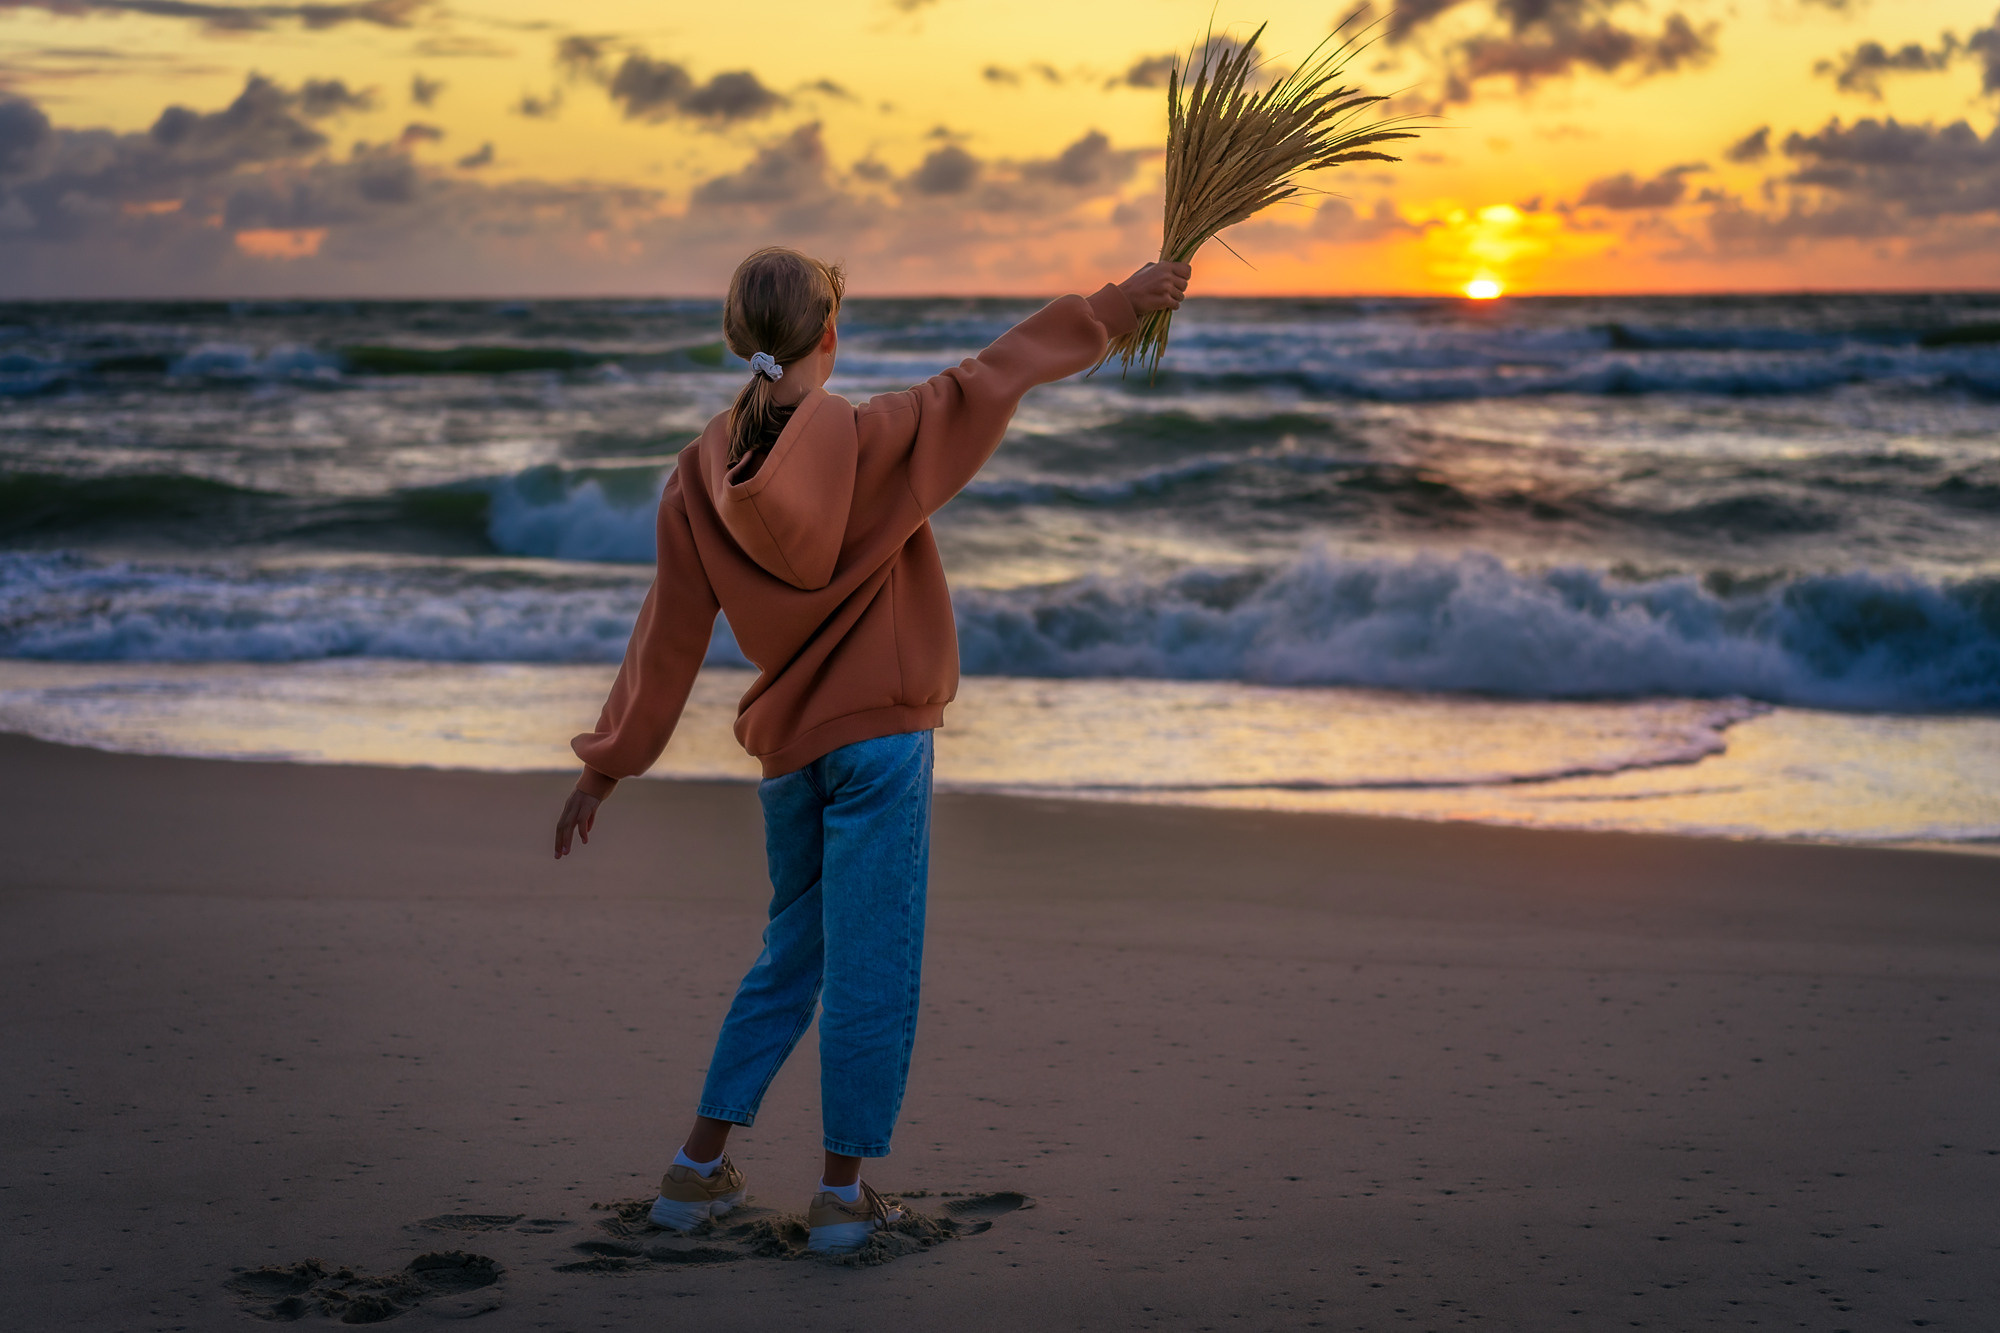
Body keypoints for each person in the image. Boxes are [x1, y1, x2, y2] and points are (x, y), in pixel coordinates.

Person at [552, 246, 1191, 1252]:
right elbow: (996, 370)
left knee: (791, 955)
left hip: (790, 752)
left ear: (742, 341)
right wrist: (1121, 302)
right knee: (870, 969)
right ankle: (842, 1197)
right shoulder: (874, 435)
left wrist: (607, 762)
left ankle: (692, 1172)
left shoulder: (693, 479)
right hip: (883, 744)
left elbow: (666, 638)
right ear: (830, 335)